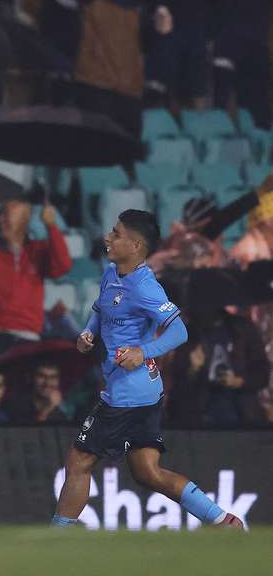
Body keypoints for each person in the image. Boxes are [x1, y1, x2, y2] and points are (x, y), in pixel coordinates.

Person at [53, 209, 244, 529]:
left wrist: (143, 351)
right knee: (147, 472)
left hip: (127, 393)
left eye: (116, 234)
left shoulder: (145, 287)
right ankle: (224, 520)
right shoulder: (111, 272)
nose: (107, 238)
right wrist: (89, 331)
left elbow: (178, 331)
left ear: (136, 246)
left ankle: (55, 542)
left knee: (79, 461)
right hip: (146, 392)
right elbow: (100, 309)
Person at [0, 199, 71, 363]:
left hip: (28, 338)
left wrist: (51, 226)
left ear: (24, 219)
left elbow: (62, 266)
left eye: (5, 215)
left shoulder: (39, 250)